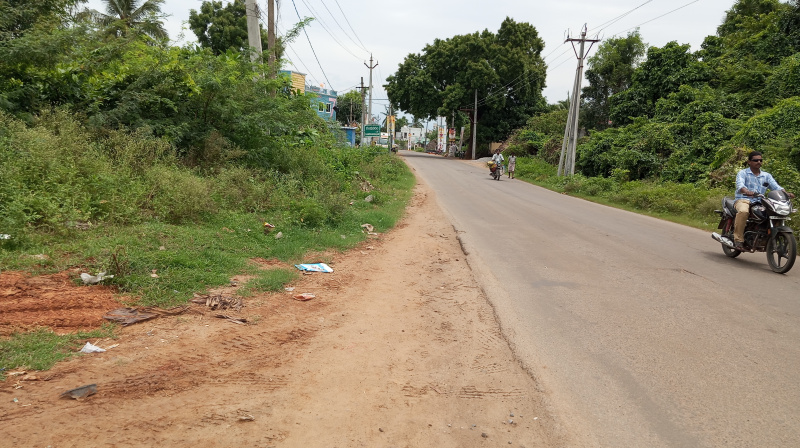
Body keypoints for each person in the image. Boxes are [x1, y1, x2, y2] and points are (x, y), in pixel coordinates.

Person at [733, 151, 795, 249]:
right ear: (749, 162)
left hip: (760, 202)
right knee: (743, 211)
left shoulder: (766, 175)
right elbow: (740, 185)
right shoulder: (743, 173)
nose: (759, 162)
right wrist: (746, 191)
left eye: (760, 160)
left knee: (774, 213)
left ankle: (766, 237)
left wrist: (786, 193)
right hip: (743, 199)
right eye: (756, 160)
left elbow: (776, 186)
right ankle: (738, 240)